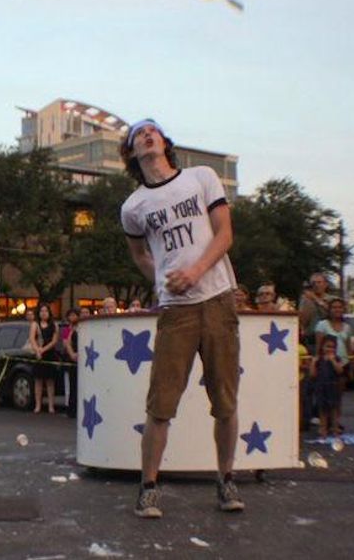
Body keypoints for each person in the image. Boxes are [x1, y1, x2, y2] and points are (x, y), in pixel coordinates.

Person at [119, 118, 243, 517]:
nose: (147, 134)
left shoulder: (201, 178)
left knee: (224, 400)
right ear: (133, 153)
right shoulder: (133, 207)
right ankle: (149, 487)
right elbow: (139, 255)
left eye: (152, 130)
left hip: (218, 300)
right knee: (161, 404)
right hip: (176, 311)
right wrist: (161, 281)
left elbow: (224, 234)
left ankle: (226, 480)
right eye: (139, 134)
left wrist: (196, 271)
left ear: (164, 142)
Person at [311, 335, 345, 437]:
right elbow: (313, 374)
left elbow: (340, 371)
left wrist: (333, 360)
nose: (330, 349)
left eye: (332, 347)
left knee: (334, 409)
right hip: (321, 387)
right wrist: (313, 363)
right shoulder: (319, 360)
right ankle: (323, 429)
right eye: (327, 346)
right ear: (322, 347)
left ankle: (335, 429)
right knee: (323, 410)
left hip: (333, 387)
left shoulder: (336, 358)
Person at [29, 303, 60, 414]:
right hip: (38, 355)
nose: (44, 313)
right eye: (41, 311)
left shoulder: (54, 325)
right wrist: (37, 350)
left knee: (50, 381)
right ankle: (38, 405)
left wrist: (44, 349)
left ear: (49, 312)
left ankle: (51, 406)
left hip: (50, 354)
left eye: (46, 311)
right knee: (38, 381)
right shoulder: (35, 324)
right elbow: (32, 339)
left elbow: (54, 341)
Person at [299, 273, 333, 349]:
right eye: (313, 283)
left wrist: (316, 299)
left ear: (325, 284)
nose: (316, 285)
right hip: (311, 340)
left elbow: (333, 313)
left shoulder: (332, 299)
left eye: (319, 282)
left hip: (329, 339)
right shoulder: (306, 300)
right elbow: (303, 321)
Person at [62, 308, 80, 418]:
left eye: (75, 315)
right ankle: (71, 408)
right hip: (70, 359)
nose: (73, 317)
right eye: (71, 315)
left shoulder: (83, 328)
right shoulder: (67, 330)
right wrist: (72, 354)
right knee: (71, 385)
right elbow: (65, 343)